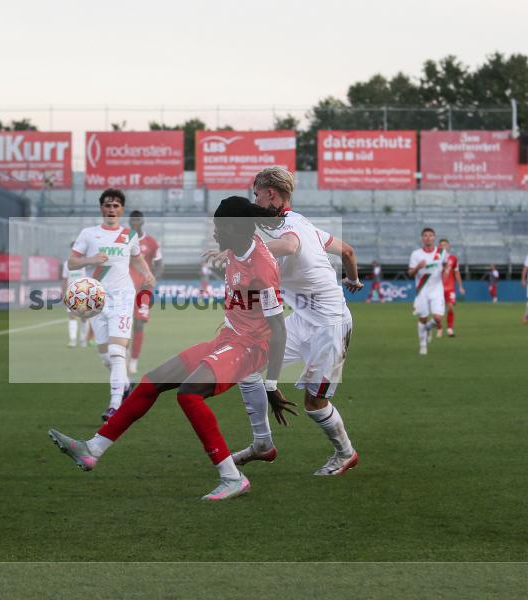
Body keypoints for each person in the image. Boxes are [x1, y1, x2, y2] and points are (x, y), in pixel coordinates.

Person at [48, 196, 287, 501]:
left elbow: (278, 328)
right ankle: (92, 449)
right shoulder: (237, 246)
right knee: (151, 381)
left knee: (189, 394)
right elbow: (235, 265)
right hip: (228, 339)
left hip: (252, 347)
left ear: (233, 228)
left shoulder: (262, 267)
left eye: (217, 228)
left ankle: (232, 477)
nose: (213, 233)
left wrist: (272, 384)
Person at [228, 167, 364, 477]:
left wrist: (240, 253)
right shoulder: (303, 223)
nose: (255, 201)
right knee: (247, 366)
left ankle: (346, 454)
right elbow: (347, 250)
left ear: (270, 194)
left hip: (330, 326)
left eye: (256, 195)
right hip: (302, 319)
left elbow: (290, 247)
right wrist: (353, 279)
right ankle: (263, 445)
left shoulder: (290, 226)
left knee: (314, 405)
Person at [66, 189, 156, 421]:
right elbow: (72, 261)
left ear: (122, 209)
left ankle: (115, 405)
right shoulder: (88, 234)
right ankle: (125, 385)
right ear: (101, 208)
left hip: (123, 296)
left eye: (116, 206)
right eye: (107, 205)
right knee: (106, 356)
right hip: (95, 298)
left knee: (117, 352)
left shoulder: (129, 235)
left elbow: (136, 257)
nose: (111, 209)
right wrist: (90, 260)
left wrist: (147, 273)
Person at [127, 210, 164, 375]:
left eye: (137, 219)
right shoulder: (123, 241)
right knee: (124, 323)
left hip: (144, 289)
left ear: (142, 221)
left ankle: (134, 360)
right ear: (129, 221)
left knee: (139, 323)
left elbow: (160, 264)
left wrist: (152, 279)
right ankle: (124, 355)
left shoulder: (151, 242)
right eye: (132, 219)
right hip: (125, 288)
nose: (135, 221)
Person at [408, 228, 446, 355]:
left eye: (430, 235)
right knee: (422, 319)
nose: (428, 238)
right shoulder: (416, 254)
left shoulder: (441, 252)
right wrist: (418, 267)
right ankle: (423, 345)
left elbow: (446, 266)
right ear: (422, 238)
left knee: (438, 317)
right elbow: (410, 273)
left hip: (437, 290)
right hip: (422, 290)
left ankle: (428, 328)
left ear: (434, 238)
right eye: (425, 235)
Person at [61, 242, 90, 348]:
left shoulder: (86, 263)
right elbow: (64, 280)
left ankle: (83, 340)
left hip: (84, 294)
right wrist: (64, 293)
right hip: (71, 293)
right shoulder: (67, 264)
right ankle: (72, 340)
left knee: (84, 317)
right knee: (72, 316)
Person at [438, 238, 465, 338]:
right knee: (438, 311)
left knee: (450, 307)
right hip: (437, 288)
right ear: (439, 247)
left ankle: (450, 329)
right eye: (441, 245)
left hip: (450, 287)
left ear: (448, 246)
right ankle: (439, 327)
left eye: (445, 245)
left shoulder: (453, 259)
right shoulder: (435, 258)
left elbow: (456, 273)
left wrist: (461, 286)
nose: (443, 247)